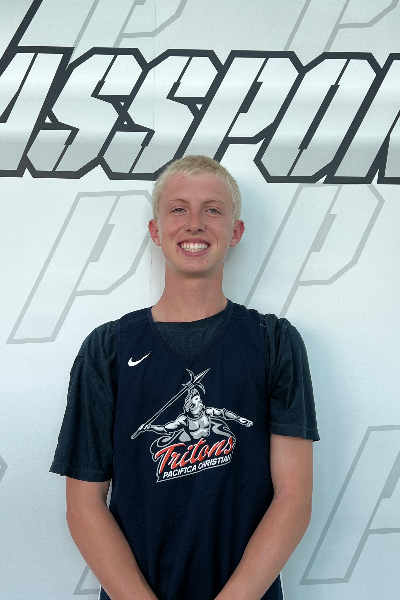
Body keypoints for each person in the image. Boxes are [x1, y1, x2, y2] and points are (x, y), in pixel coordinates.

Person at [50, 155, 319, 600]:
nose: (195, 223)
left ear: (236, 231)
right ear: (156, 231)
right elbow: (83, 505)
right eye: (178, 209)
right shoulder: (107, 349)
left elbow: (294, 498)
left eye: (212, 209)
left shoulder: (274, 342)